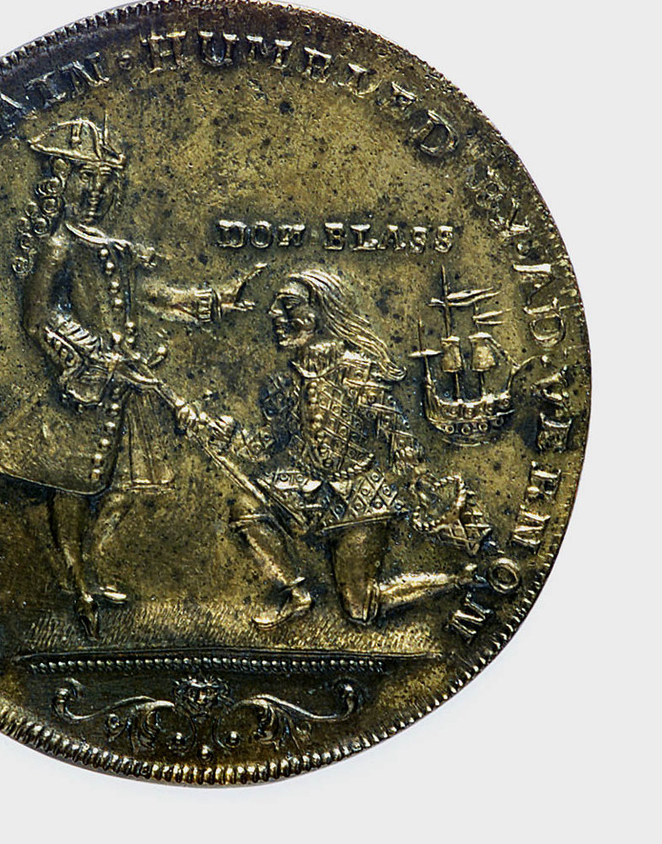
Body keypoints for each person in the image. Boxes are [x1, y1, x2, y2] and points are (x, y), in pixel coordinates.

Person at [0, 118, 261, 637]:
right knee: (71, 488)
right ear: (61, 181)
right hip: (80, 391)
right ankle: (74, 580)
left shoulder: (114, 247)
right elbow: (38, 318)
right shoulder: (57, 247)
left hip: (122, 390)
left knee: (122, 489)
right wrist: (94, 354)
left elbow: (149, 297)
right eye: (86, 179)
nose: (96, 192)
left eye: (105, 182)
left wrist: (213, 300)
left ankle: (90, 565)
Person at [189, 269, 481, 628]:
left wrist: (417, 476)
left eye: (288, 306)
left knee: (359, 608)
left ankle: (457, 580)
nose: (274, 314)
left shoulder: (356, 372)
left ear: (320, 314)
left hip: (359, 495)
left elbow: (396, 430)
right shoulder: (284, 383)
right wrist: (221, 433)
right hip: (302, 489)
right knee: (245, 508)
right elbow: (267, 444)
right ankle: (296, 594)